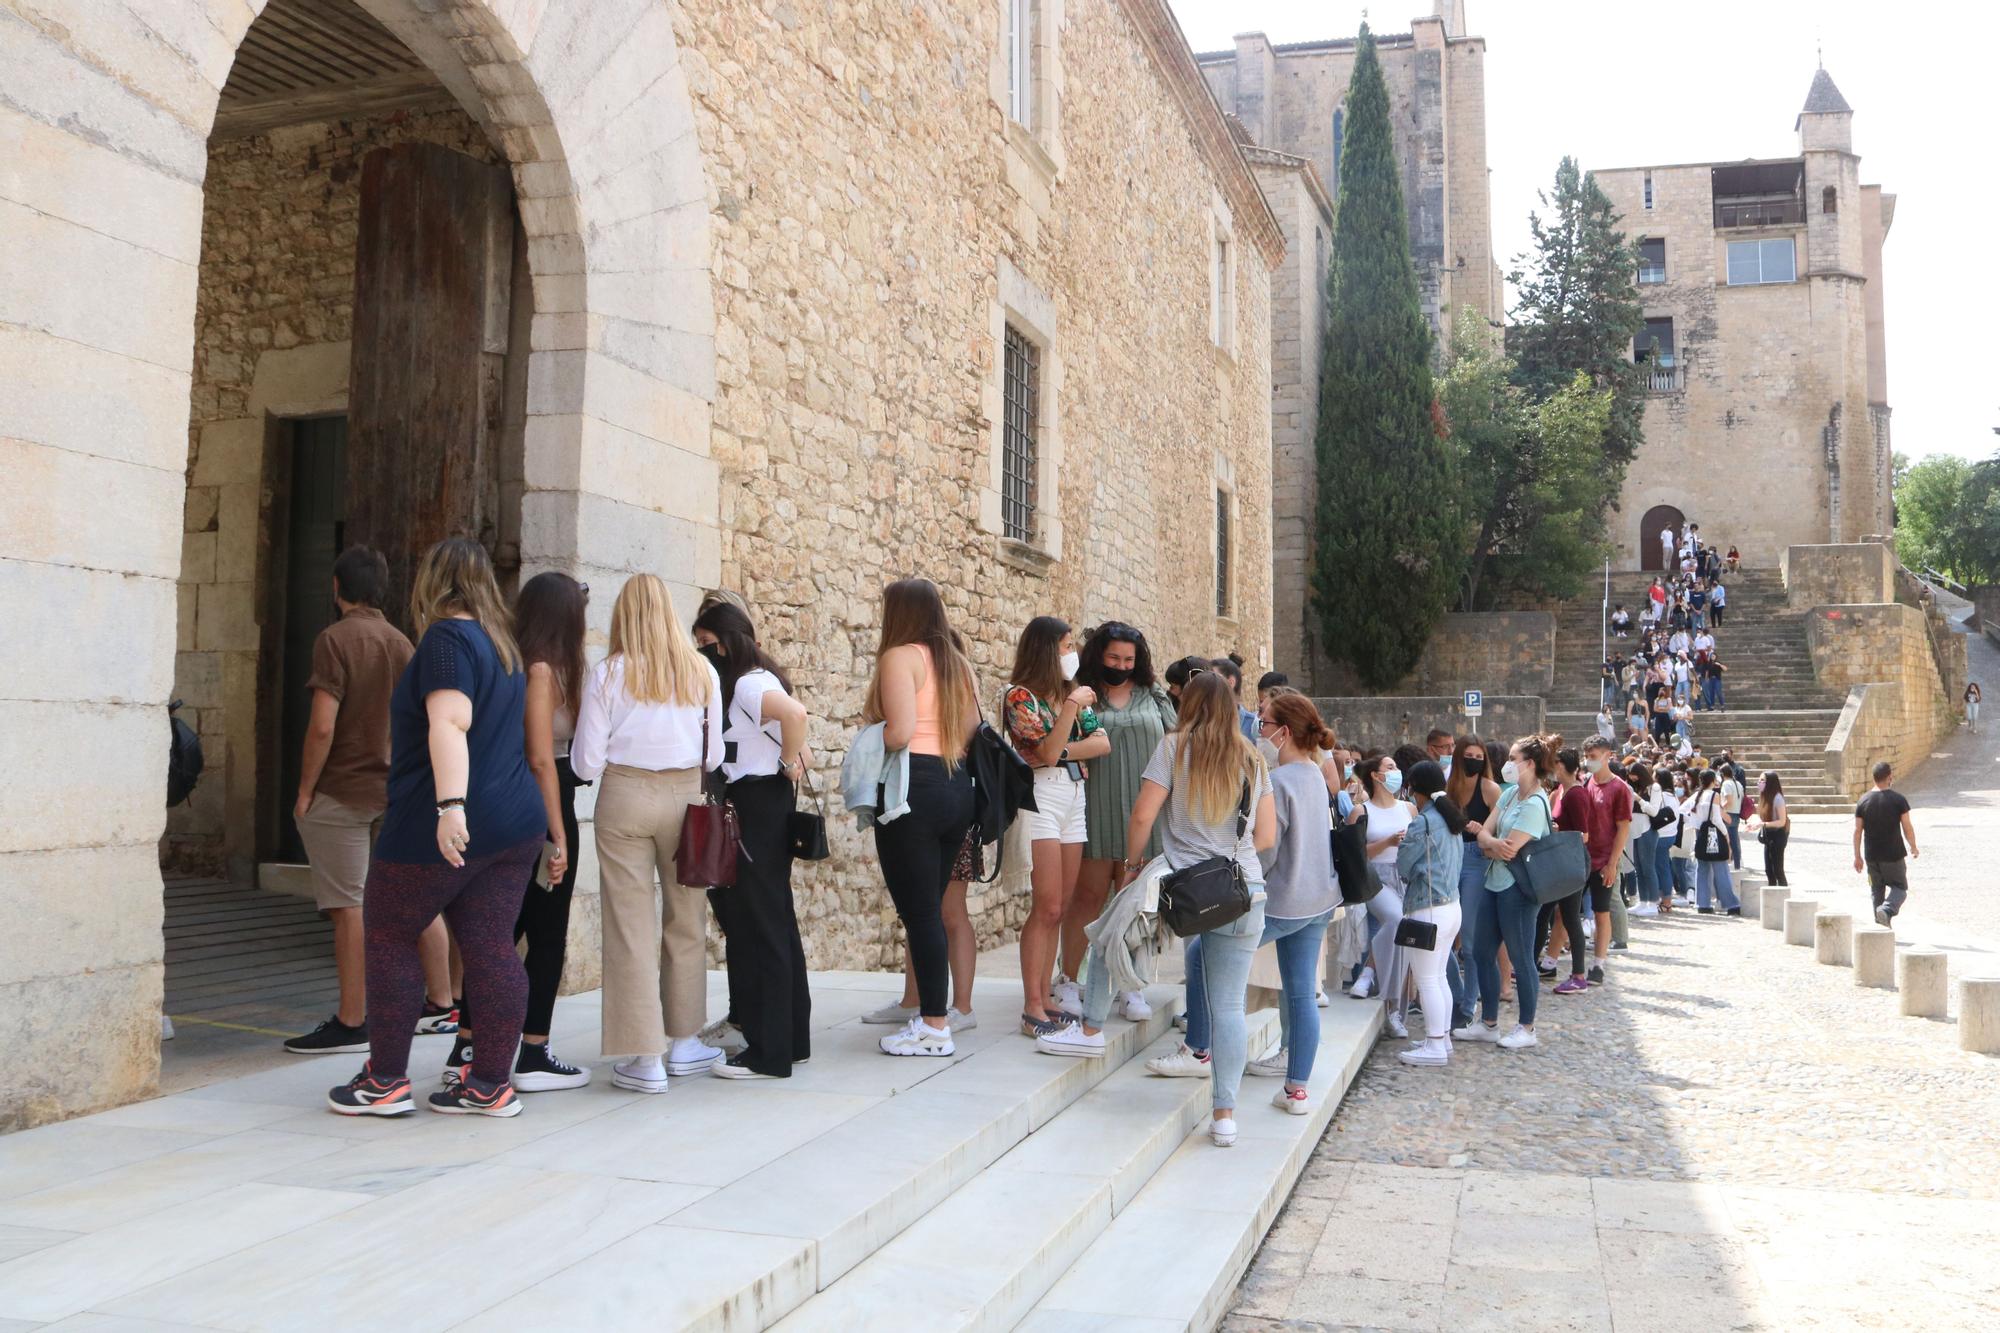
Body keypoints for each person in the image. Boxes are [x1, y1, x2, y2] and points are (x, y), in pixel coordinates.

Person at [325, 538, 546, 1117]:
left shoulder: (447, 638)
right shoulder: (504, 648)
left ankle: (385, 1082)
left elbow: (450, 721)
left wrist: (451, 807)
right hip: (516, 819)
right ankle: (490, 1083)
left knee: (390, 934)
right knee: (492, 945)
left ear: (432, 582)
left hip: (449, 819)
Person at [1038, 674, 1274, 1145]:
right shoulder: (1252, 757)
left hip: (1180, 882)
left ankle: (1089, 1031)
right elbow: (1265, 837)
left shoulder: (1174, 748)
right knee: (1228, 1007)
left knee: (1109, 933)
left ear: (1189, 705)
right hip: (1241, 889)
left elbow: (1143, 813)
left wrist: (1130, 867)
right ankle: (1224, 1116)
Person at [287, 546, 452, 1055]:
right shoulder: (403, 642)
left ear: (336, 588)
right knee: (415, 895)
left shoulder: (334, 640)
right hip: (397, 789)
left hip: (343, 789)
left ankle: (353, 1019)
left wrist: (305, 790)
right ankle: (443, 1003)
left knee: (348, 906)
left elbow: (321, 726)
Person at [571, 575, 726, 1092]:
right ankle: (684, 1042)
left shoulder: (608, 673)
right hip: (687, 797)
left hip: (626, 795)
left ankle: (645, 1056)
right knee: (686, 919)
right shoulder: (701, 671)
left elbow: (588, 761)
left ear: (623, 615)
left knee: (629, 925)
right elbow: (715, 756)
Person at [448, 571, 591, 1092]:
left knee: (507, 929)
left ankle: (468, 1044)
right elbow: (539, 757)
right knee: (538, 932)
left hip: (529, 802)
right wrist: (558, 833)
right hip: (539, 804)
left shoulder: (521, 662)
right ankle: (528, 1050)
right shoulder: (540, 671)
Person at [693, 600, 814, 1078]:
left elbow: (795, 715)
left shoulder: (746, 681)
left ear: (724, 642)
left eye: (706, 645)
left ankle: (768, 1052)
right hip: (765, 804)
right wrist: (791, 755)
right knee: (775, 921)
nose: (703, 655)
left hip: (755, 805)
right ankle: (789, 1040)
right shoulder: (759, 677)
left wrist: (788, 761)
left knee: (762, 925)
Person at [866, 578, 981, 1056]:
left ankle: (933, 1024)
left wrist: (869, 733)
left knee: (920, 915)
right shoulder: (958, 664)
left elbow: (900, 733)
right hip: (957, 787)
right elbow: (974, 727)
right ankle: (934, 1016)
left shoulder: (900, 657)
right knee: (930, 910)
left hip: (913, 786)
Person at [1005, 616, 1111, 1036]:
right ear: (1047, 649)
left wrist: (1061, 746)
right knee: (1047, 905)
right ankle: (1032, 1003)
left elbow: (1100, 743)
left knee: (1062, 905)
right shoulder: (1021, 697)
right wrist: (1068, 718)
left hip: (1074, 796)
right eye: (1067, 645)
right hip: (1041, 797)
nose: (1074, 654)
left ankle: (1046, 996)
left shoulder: (1069, 695)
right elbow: (1045, 755)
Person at [1068, 621, 1176, 1022]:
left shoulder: (1154, 696)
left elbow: (1175, 741)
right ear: (1099, 655)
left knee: (1137, 905)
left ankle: (1131, 986)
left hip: (1143, 811)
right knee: (1087, 899)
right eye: (1113, 657)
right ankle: (1069, 980)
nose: (1121, 665)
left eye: (1128, 659)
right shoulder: (1081, 693)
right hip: (1094, 808)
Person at [1241, 692, 1342, 1109]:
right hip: (1319, 898)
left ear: (1282, 733)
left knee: (1201, 956)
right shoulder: (1315, 774)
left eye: (1263, 724)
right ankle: (1297, 1088)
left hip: (1284, 901)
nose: (1257, 730)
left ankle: (1199, 1048)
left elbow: (1266, 849)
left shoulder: (1277, 782)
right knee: (1301, 992)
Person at [1457, 734, 1558, 1049]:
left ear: (1529, 764)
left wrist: (1490, 842)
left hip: (1518, 889)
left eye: (1513, 759)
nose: (1507, 764)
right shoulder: (1510, 794)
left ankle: (1527, 1028)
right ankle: (1488, 1022)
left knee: (1521, 957)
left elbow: (1509, 848)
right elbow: (1487, 834)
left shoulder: (1535, 803)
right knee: (1483, 953)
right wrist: (1491, 843)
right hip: (1493, 882)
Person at [1395, 761, 1465, 1067]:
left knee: (1427, 980)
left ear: (1414, 789)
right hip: (1450, 906)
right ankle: (1441, 1039)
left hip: (1428, 907)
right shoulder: (1450, 818)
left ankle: (1435, 1046)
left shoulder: (1422, 823)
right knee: (1438, 978)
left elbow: (1403, 866)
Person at [1346, 751, 1414, 1039]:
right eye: (1390, 766)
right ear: (1375, 775)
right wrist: (1386, 841)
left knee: (1408, 938)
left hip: (1406, 877)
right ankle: (1388, 1001)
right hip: (1375, 878)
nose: (1396, 770)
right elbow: (1352, 855)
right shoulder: (1361, 811)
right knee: (1397, 922)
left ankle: (1377, 981)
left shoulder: (1409, 808)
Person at [1580, 737, 1633, 983]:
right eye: (1587, 755)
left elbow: (1623, 828)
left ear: (1607, 755)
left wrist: (1612, 863)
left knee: (1602, 912)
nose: (1589, 760)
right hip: (1582, 859)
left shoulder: (1619, 788)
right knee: (1567, 912)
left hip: (1604, 859)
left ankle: (1599, 964)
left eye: (1593, 755)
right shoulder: (1586, 783)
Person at [1543, 749, 1592, 996]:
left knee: (1571, 917)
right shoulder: (1561, 791)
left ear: (1563, 766)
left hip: (1572, 862)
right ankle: (1537, 964)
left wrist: (1557, 831)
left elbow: (1584, 834)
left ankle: (1579, 975)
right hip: (1562, 861)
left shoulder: (1575, 795)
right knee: (1545, 912)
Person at [1854, 760, 1917, 926]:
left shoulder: (1863, 800)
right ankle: (1887, 909)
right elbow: (1907, 827)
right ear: (1890, 777)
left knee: (1876, 889)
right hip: (1893, 855)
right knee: (1900, 888)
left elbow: (1857, 831)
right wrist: (1913, 846)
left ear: (1874, 778)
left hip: (1871, 856)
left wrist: (1857, 856)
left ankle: (1879, 926)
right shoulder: (1898, 800)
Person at [1681, 769, 1741, 915]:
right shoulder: (1714, 795)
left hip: (1700, 834)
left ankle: (1702, 903)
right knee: (1720, 869)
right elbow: (1716, 819)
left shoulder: (1697, 795)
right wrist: (1726, 835)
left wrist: (1695, 823)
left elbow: (1682, 810)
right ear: (1713, 780)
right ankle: (1730, 903)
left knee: (1702, 869)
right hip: (1714, 835)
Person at [1752, 770, 1790, 889]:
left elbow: (1782, 821)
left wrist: (1763, 824)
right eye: (1759, 780)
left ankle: (1782, 894)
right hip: (1768, 835)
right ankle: (1771, 895)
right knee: (1769, 870)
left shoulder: (1778, 798)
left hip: (1778, 835)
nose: (1759, 783)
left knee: (1777, 869)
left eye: (1762, 780)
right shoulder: (1765, 797)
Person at [1209, 657, 1260, 740]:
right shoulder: (1204, 724)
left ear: (1231, 682)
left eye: (1213, 678)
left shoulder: (1253, 726)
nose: (1207, 684)